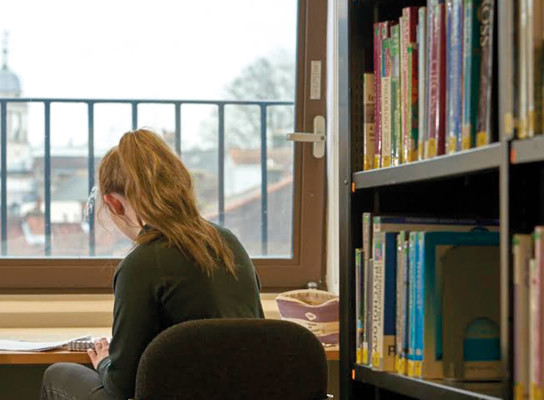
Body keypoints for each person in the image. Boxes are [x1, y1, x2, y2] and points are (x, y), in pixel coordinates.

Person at [40, 129, 264, 400]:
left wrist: (105, 362)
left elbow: (121, 386)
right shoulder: (228, 243)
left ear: (114, 204)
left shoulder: (142, 263)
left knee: (57, 375)